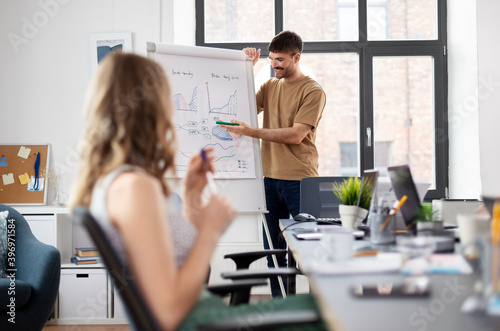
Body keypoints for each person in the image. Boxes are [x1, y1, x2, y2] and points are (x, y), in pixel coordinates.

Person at [71, 52, 326, 330]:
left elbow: (170, 258)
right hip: (198, 320)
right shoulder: (134, 187)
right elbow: (168, 312)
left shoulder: (118, 181)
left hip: (202, 311)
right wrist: (211, 230)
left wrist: (192, 197)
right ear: (150, 107)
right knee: (324, 311)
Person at [221, 31, 326, 297]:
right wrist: (247, 68)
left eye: (280, 60)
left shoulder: (313, 91)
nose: (274, 64)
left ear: (296, 57)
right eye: (271, 59)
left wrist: (252, 132)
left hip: (300, 181)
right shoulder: (269, 87)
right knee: (274, 253)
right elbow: (239, 109)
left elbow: (295, 134)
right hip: (268, 180)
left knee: (308, 253)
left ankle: (318, 311)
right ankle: (282, 309)